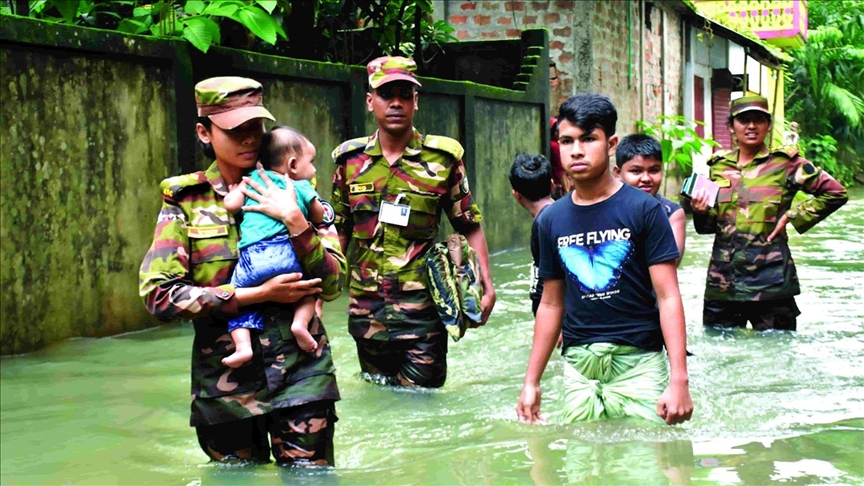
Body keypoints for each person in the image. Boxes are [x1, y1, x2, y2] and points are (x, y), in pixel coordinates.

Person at [139, 77, 346, 466]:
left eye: (256, 126)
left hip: (303, 375)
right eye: (235, 130)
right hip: (225, 385)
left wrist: (297, 223)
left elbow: (335, 283)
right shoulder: (185, 200)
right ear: (204, 132)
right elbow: (158, 295)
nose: (250, 138)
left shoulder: (296, 183)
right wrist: (253, 297)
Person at [515, 93, 692, 426]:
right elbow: (551, 304)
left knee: (645, 464)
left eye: (588, 139)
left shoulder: (644, 210)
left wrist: (679, 379)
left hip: (639, 360)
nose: (577, 150)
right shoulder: (551, 220)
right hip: (579, 366)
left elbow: (669, 296)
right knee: (581, 466)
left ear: (610, 143)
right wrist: (531, 381)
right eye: (566, 141)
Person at [330, 56, 496, 388]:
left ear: (416, 102)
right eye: (386, 94)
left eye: (405, 94)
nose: (396, 103)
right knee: (379, 400)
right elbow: (339, 231)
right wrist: (321, 293)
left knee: (421, 405)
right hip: (367, 312)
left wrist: (484, 285)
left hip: (425, 313)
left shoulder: (443, 160)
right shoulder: (349, 162)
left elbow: (468, 224)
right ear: (369, 101)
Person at [690, 95, 848, 331]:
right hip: (723, 284)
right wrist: (700, 212)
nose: (751, 126)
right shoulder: (718, 167)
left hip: (772, 283)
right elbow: (708, 228)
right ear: (731, 126)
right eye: (743, 120)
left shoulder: (787, 164)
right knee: (722, 355)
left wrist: (793, 215)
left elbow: (835, 193)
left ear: (769, 124)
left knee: (778, 355)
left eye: (758, 119)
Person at [221, 126, 326, 367]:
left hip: (252, 258)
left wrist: (235, 191)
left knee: (235, 296)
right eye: (311, 162)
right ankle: (300, 324)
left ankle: (243, 346)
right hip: (286, 253)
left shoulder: (252, 180)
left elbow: (230, 205)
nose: (314, 169)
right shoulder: (301, 185)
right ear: (292, 164)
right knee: (309, 289)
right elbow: (319, 215)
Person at [614, 133, 686, 266]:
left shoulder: (671, 212)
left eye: (654, 171)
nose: (646, 178)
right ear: (618, 173)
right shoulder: (607, 209)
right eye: (636, 171)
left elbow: (671, 262)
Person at [508, 153, 555, 315]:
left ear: (516, 195)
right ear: (552, 185)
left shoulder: (542, 223)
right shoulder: (562, 214)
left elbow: (545, 282)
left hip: (552, 316)